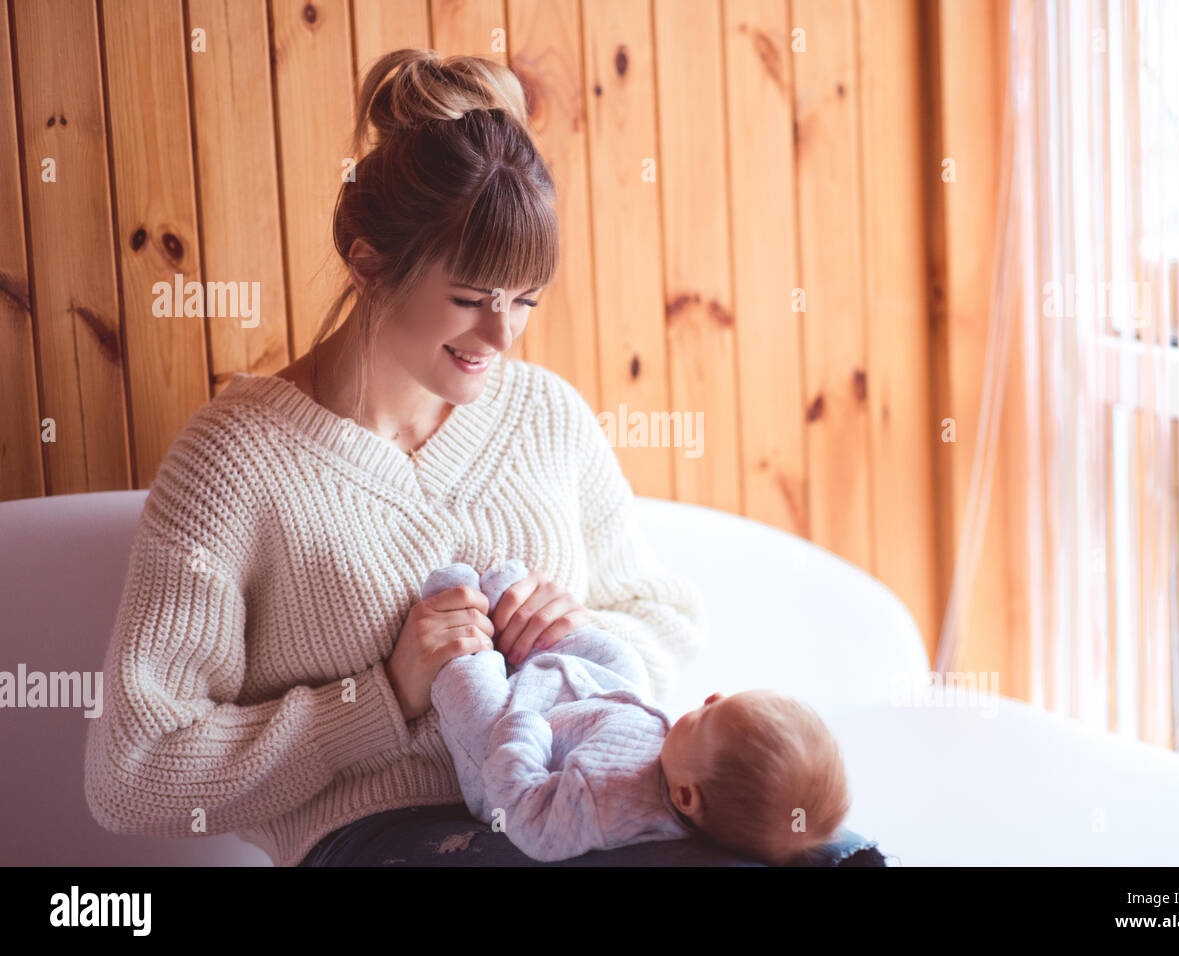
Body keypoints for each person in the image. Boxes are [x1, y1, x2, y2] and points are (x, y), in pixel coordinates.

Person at [83, 48, 711, 867]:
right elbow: (131, 772)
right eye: (469, 299)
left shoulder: (547, 415)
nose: (501, 337)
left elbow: (670, 622)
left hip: (593, 803)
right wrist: (381, 699)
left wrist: (586, 641)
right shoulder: (234, 463)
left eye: (523, 300)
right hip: (394, 839)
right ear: (370, 262)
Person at [424, 558, 857, 866]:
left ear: (686, 797)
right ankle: (516, 610)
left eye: (707, 717)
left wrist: (520, 732)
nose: (710, 698)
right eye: (724, 700)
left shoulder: (601, 808)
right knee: (624, 661)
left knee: (473, 700)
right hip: (587, 706)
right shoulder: (689, 761)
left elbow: (523, 812)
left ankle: (460, 626)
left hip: (504, 751)